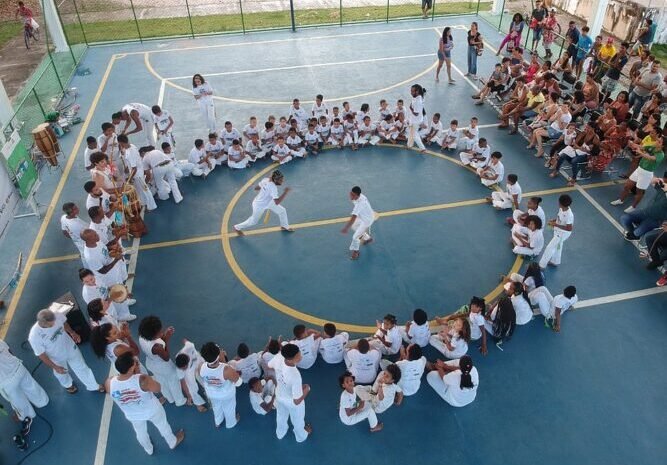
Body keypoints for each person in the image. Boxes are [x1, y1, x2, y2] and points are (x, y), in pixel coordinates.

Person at [107, 352, 185, 455]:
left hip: (132, 414)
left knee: (140, 432)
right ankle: (172, 442)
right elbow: (158, 388)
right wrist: (140, 374)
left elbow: (114, 395)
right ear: (131, 368)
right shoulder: (142, 379)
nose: (137, 363)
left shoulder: (109, 382)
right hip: (152, 410)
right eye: (135, 363)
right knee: (162, 425)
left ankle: (149, 450)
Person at [28, 309, 103, 394]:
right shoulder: (34, 336)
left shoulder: (56, 314)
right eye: (51, 324)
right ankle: (68, 385)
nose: (54, 324)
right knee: (61, 373)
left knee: (82, 367)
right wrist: (55, 367)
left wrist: (72, 333)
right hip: (56, 357)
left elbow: (64, 323)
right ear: (43, 323)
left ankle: (93, 386)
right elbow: (41, 355)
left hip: (70, 347)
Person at [0, 338, 48, 432]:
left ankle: (25, 416)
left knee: (17, 400)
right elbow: (10, 352)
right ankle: (42, 401)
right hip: (18, 368)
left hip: (6, 383)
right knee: (31, 386)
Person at [138, 316, 187, 406]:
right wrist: (166, 339)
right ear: (154, 335)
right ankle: (180, 400)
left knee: (161, 381)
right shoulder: (158, 346)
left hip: (150, 363)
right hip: (164, 366)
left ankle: (169, 398)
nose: (161, 332)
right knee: (173, 381)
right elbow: (166, 357)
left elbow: (157, 343)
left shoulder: (141, 336)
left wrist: (163, 336)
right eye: (160, 331)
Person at [268, 343, 312, 442]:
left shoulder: (279, 356)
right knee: (297, 420)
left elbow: (269, 365)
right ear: (293, 358)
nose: (301, 355)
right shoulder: (295, 375)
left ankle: (280, 433)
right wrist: (307, 389)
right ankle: (301, 436)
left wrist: (280, 375)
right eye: (299, 354)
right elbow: (297, 401)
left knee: (281, 415)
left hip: (279, 394)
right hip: (291, 401)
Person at [611, 136, 665, 214]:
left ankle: (633, 206)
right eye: (657, 140)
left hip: (646, 174)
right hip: (639, 169)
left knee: (639, 192)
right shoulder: (651, 147)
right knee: (627, 186)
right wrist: (632, 144)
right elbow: (640, 146)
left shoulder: (661, 154)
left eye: (659, 142)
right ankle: (620, 200)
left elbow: (650, 158)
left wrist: (640, 153)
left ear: (662, 146)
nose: (656, 142)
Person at [234, 170, 292, 235]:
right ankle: (237, 227)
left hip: (268, 202)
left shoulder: (265, 180)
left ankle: (284, 226)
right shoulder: (273, 187)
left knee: (282, 211)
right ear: (275, 180)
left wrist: (264, 189)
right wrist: (285, 192)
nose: (282, 181)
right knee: (253, 221)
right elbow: (277, 202)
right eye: (280, 180)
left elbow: (256, 188)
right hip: (259, 206)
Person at [199, 342, 242, 428]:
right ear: (218, 354)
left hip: (211, 393)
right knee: (229, 408)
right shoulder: (226, 369)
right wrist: (224, 360)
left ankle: (218, 422)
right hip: (226, 394)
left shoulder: (201, 366)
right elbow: (238, 382)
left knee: (216, 407)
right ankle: (231, 423)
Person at [620, 175, 667, 241]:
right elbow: (651, 180)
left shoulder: (665, 190)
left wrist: (666, 191)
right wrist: (656, 179)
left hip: (656, 220)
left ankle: (635, 234)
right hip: (645, 212)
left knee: (637, 232)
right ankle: (633, 233)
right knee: (624, 218)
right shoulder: (663, 187)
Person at [118, 135, 157, 211]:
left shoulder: (130, 153)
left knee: (145, 190)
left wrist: (130, 179)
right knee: (140, 190)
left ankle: (152, 206)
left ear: (121, 143)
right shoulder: (131, 146)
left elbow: (134, 169)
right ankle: (144, 203)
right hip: (137, 173)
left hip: (137, 175)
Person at [539, 194, 574, 269]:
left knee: (549, 248)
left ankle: (541, 265)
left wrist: (556, 224)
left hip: (562, 234)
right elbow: (560, 218)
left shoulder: (569, 215)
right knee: (558, 247)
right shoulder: (562, 208)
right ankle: (555, 261)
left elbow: (569, 228)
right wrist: (554, 220)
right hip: (558, 230)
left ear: (560, 203)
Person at [341, 186, 375, 260]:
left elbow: (353, 218)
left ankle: (356, 252)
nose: (351, 195)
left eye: (353, 195)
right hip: (364, 215)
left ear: (357, 195)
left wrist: (346, 228)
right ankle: (368, 238)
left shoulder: (360, 204)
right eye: (351, 193)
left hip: (367, 220)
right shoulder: (359, 196)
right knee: (354, 227)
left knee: (355, 237)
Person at [175, 340, 208, 412]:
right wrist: (189, 396)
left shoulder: (189, 347)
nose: (183, 369)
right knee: (191, 386)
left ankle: (208, 391)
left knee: (205, 377)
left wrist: (185, 341)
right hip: (189, 371)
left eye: (184, 367)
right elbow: (183, 383)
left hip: (198, 362)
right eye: (182, 368)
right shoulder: (180, 369)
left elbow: (185, 340)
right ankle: (198, 404)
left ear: (188, 361)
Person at [60, 202, 89, 267]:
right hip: (84, 241)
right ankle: (88, 270)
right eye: (75, 208)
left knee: (83, 253)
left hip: (77, 240)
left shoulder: (63, 217)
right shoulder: (76, 225)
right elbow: (88, 233)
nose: (78, 208)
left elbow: (64, 231)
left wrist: (73, 237)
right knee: (86, 257)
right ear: (71, 212)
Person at [406, 84, 427, 151]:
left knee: (415, 135)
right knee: (411, 133)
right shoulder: (419, 97)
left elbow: (416, 113)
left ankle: (422, 148)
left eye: (412, 91)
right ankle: (409, 145)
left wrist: (411, 108)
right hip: (416, 120)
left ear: (417, 91)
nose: (411, 92)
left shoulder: (418, 101)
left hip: (415, 121)